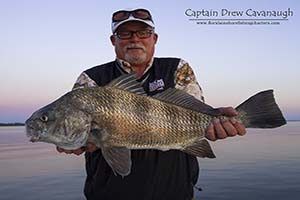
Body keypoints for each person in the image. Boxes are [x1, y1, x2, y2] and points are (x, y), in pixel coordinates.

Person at [57, 8, 246, 200]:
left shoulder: (177, 68)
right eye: (124, 33)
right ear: (114, 40)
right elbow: (76, 129)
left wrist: (214, 119)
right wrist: (73, 142)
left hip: (175, 191)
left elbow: (197, 110)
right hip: (108, 193)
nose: (134, 39)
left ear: (154, 38)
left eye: (143, 32)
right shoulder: (91, 79)